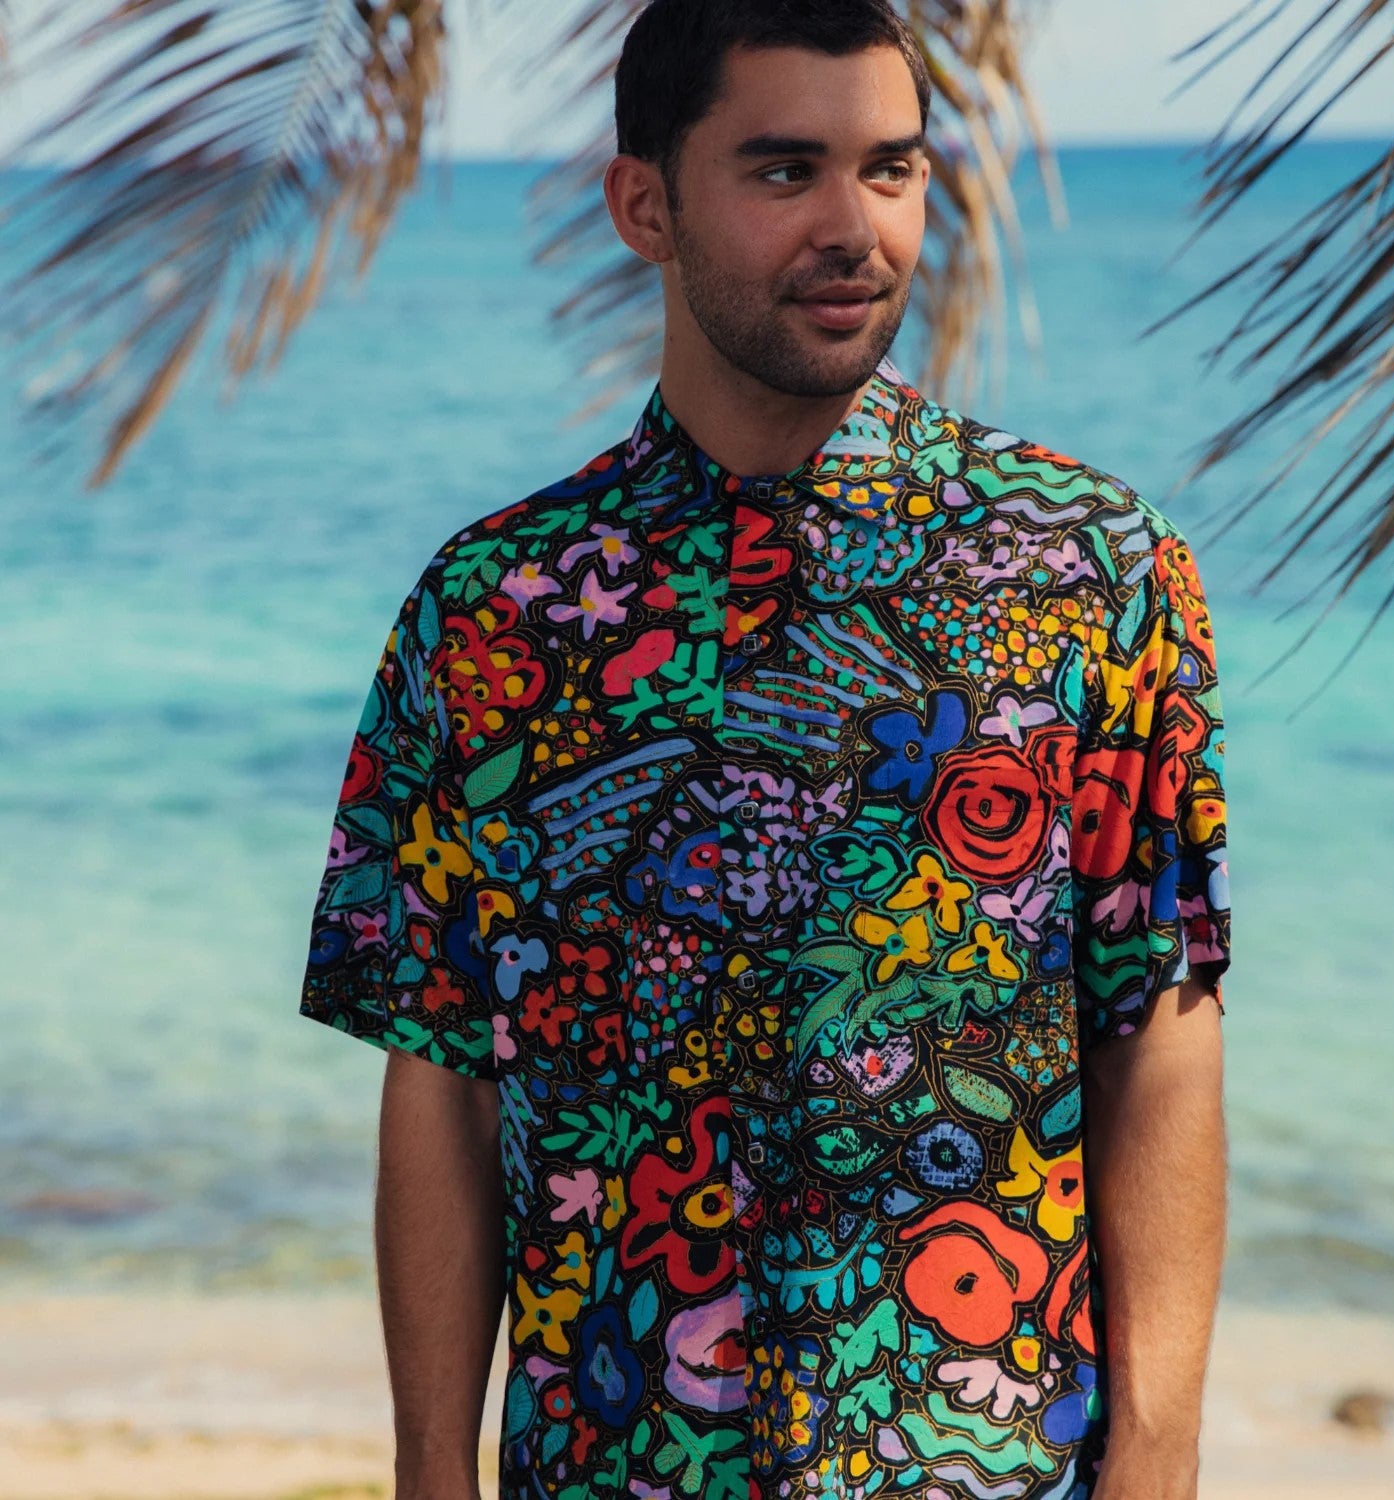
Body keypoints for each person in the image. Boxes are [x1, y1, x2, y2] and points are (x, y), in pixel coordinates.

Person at [298, 1, 1233, 1496]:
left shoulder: (1091, 568)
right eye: (785, 170)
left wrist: (1162, 1455)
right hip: (613, 1456)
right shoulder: (495, 610)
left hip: (980, 1459)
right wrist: (430, 1465)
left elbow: (1160, 1028)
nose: (855, 226)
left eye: (892, 168)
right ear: (644, 205)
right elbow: (445, 1068)